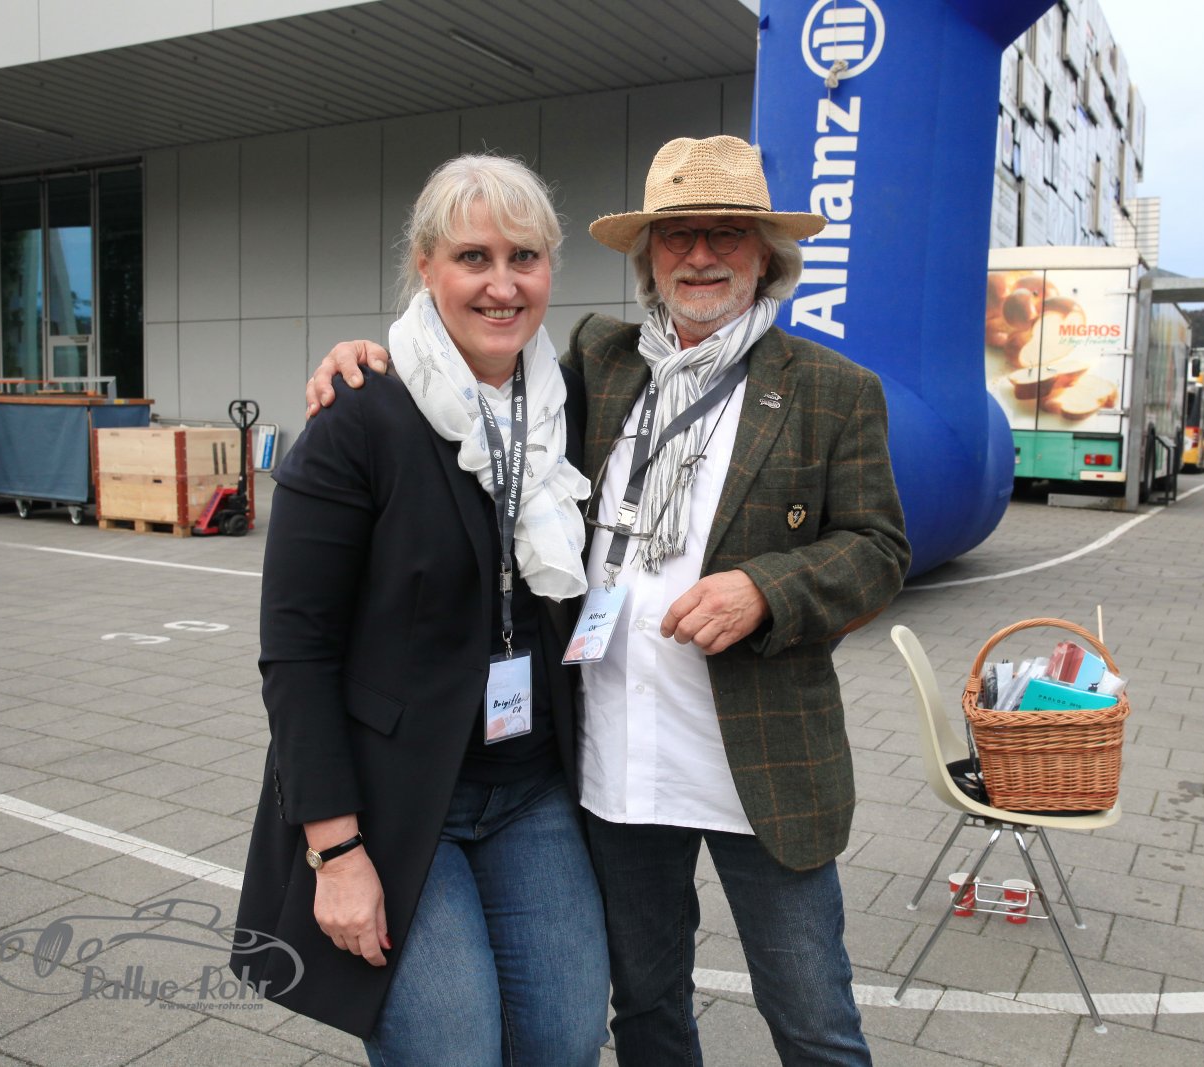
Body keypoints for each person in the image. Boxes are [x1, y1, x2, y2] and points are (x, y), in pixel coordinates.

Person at [308, 135, 911, 1066]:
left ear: (765, 255)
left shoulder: (833, 391)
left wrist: (767, 587)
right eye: (677, 236)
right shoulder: (600, 361)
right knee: (648, 1010)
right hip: (620, 767)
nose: (700, 256)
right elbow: (475, 373)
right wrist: (373, 355)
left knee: (812, 1020)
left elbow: (880, 549)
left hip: (761, 765)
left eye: (726, 234)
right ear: (649, 257)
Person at [233, 154, 609, 1066]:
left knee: (564, 1041)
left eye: (524, 257)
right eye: (473, 257)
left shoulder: (568, 403)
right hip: (396, 801)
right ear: (426, 266)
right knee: (452, 1049)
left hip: (531, 789)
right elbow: (296, 652)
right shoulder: (360, 416)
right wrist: (335, 853)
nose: (501, 284)